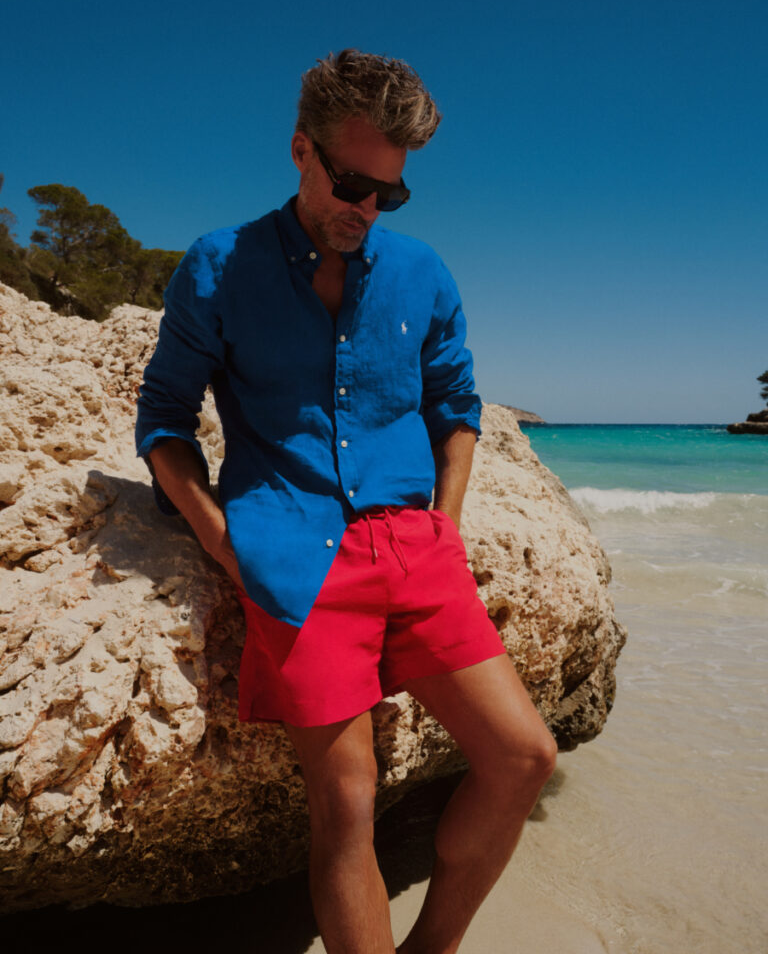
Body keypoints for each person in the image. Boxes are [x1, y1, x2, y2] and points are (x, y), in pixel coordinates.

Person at [135, 49, 557, 954]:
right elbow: (164, 419)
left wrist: (445, 521)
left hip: (417, 546)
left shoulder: (422, 275)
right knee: (349, 803)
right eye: (351, 182)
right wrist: (217, 536)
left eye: (389, 194)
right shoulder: (218, 267)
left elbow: (457, 406)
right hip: (291, 549)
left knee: (525, 757)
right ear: (301, 150)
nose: (364, 208)